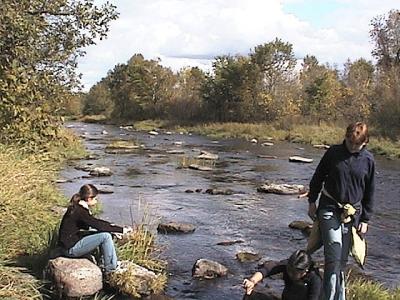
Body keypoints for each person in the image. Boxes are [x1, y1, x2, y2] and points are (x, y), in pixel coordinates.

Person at [306, 122, 375, 300]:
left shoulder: (368, 160)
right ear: (345, 137)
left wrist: (365, 219)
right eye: (349, 142)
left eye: (356, 144)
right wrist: (312, 201)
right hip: (329, 207)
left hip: (351, 214)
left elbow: (370, 191)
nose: (352, 147)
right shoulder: (333, 153)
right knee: (334, 256)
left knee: (342, 262)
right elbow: (318, 177)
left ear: (365, 142)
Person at [58, 184, 132, 274]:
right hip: (70, 249)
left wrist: (111, 227)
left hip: (68, 244)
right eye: (95, 199)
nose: (97, 201)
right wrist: (121, 230)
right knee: (106, 236)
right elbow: (97, 224)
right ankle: (111, 268)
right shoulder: (80, 211)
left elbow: (95, 223)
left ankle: (105, 262)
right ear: (89, 199)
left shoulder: (77, 207)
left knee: (104, 233)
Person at [243, 250, 322, 300]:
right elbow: (268, 269)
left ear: (305, 271)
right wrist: (252, 281)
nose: (290, 274)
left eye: (294, 273)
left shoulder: (315, 279)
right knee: (251, 294)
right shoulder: (288, 265)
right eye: (289, 270)